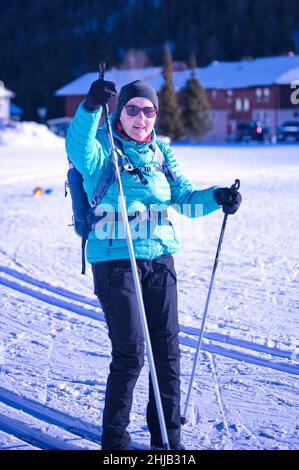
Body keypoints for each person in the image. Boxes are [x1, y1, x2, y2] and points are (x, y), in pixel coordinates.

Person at [65, 78, 242, 450]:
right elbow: (77, 146)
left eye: (149, 111)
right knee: (130, 352)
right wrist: (90, 107)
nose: (141, 118)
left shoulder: (162, 154)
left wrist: (218, 197)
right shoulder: (102, 150)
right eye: (132, 109)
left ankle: (168, 442)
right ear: (120, 112)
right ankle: (115, 444)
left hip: (159, 258)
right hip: (116, 262)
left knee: (167, 352)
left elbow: (186, 200)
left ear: (156, 116)